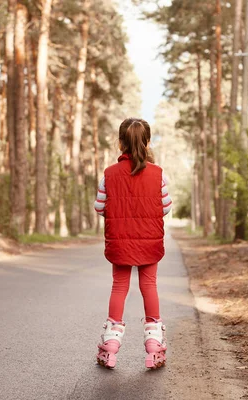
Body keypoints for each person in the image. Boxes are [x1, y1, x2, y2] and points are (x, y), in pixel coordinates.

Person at [94, 118, 172, 370]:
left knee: (119, 287)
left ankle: (110, 349)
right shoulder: (158, 174)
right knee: (149, 286)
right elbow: (166, 207)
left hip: (120, 242)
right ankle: (154, 347)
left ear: (120, 143)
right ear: (147, 142)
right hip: (149, 241)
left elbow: (99, 207)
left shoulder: (109, 175)